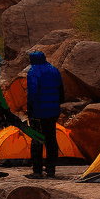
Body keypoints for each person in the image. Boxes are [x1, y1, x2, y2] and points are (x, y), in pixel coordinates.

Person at [25, 50, 65, 179]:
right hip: (53, 111)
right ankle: (51, 170)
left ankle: (37, 171)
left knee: (37, 139)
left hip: (38, 112)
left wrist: (29, 109)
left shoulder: (33, 71)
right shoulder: (54, 70)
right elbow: (61, 90)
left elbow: (32, 92)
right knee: (51, 139)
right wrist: (58, 104)